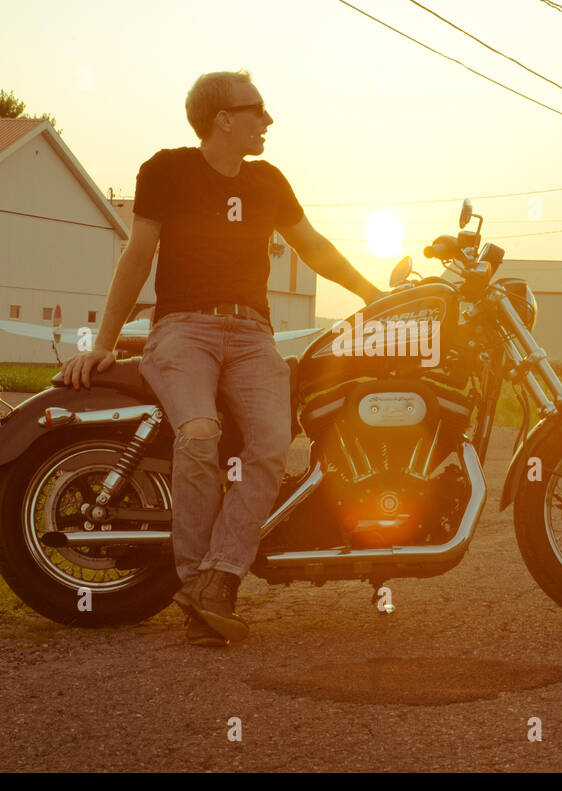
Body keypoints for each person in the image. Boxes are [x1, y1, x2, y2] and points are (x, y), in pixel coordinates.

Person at [61, 69, 381, 646]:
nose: (268, 120)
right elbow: (137, 257)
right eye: (256, 109)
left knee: (272, 443)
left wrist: (374, 295)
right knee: (201, 434)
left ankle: (218, 580)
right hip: (183, 329)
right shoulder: (167, 170)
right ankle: (195, 580)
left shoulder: (269, 181)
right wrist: (103, 341)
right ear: (222, 120)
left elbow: (315, 249)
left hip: (254, 334)